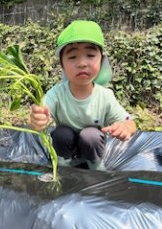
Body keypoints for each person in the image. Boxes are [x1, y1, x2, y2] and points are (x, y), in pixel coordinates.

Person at [28, 20, 136, 171]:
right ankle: (63, 164)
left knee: (90, 135)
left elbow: (129, 122)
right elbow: (42, 111)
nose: (82, 63)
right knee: (60, 133)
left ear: (102, 60)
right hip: (66, 146)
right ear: (62, 65)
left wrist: (125, 127)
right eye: (72, 57)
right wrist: (37, 119)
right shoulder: (57, 93)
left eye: (90, 55)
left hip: (92, 147)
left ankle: (95, 164)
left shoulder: (105, 96)